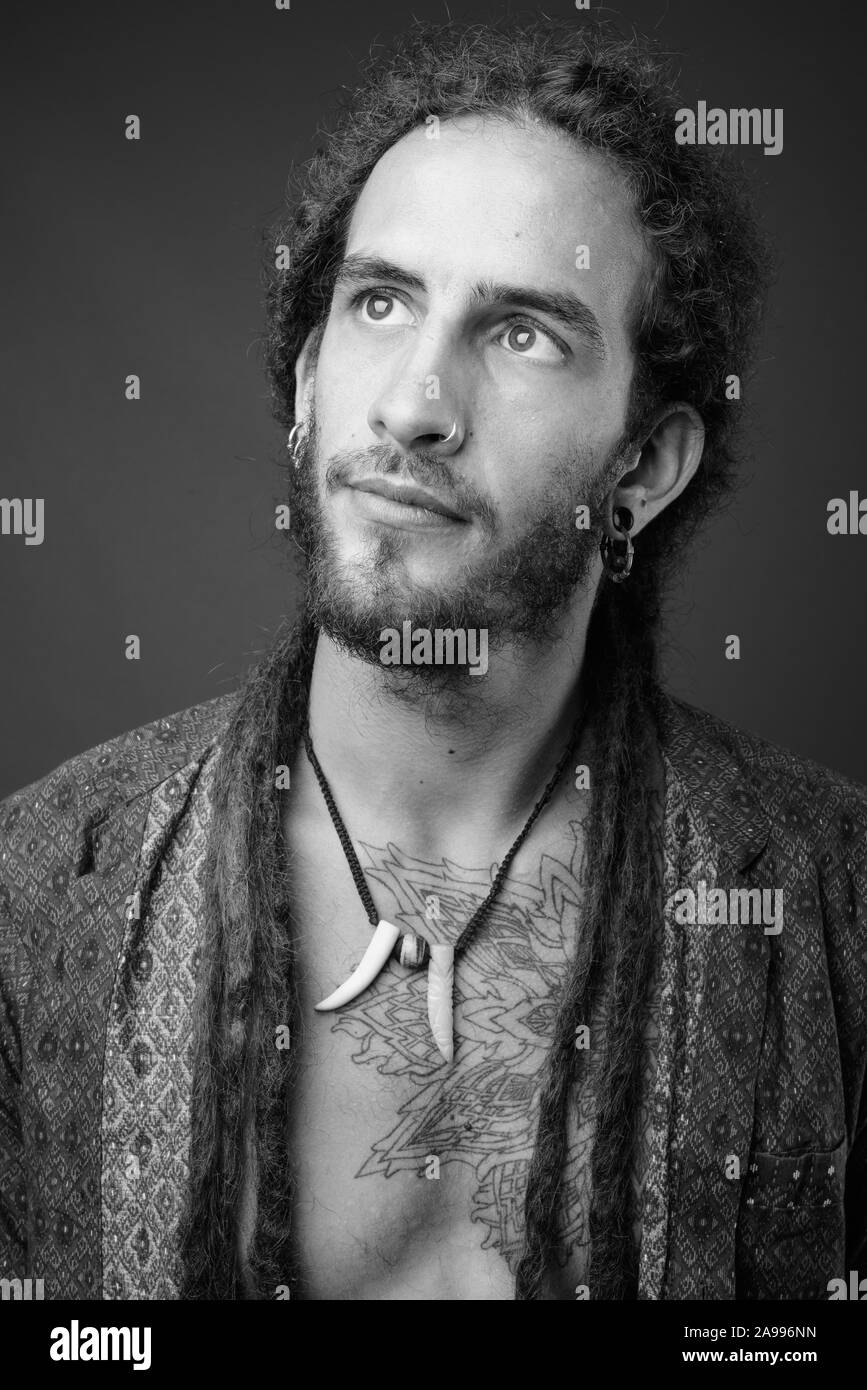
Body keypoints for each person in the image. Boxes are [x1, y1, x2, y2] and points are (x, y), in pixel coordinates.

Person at [1, 16, 865, 1302]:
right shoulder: (41, 891)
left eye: (522, 332)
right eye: (381, 301)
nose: (414, 404)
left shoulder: (835, 901)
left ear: (643, 467)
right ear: (305, 383)